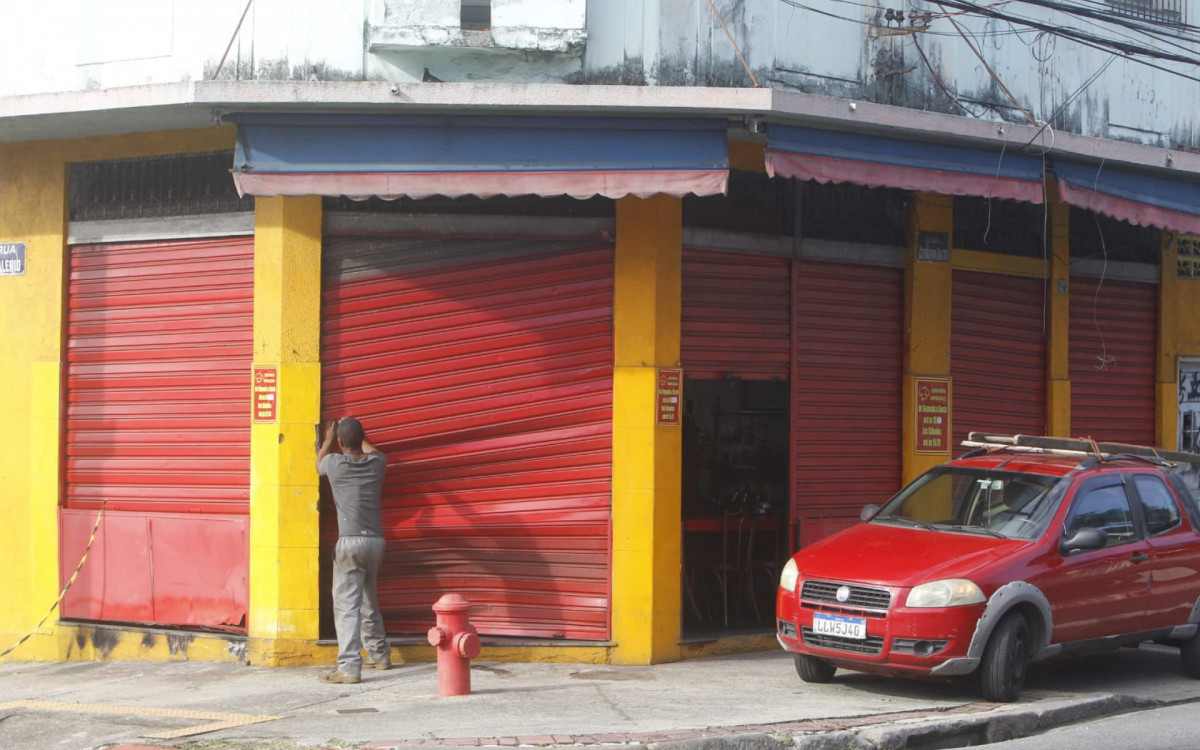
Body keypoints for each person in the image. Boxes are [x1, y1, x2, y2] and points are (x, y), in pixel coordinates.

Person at [316, 416, 391, 683]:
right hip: (375, 542)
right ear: (362, 440)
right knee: (368, 598)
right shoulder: (377, 463)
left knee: (347, 605)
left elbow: (318, 464)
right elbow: (372, 450)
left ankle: (348, 667)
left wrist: (327, 439)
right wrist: (356, 435)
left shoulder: (334, 464)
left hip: (349, 542)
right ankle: (379, 654)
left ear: (339, 443)